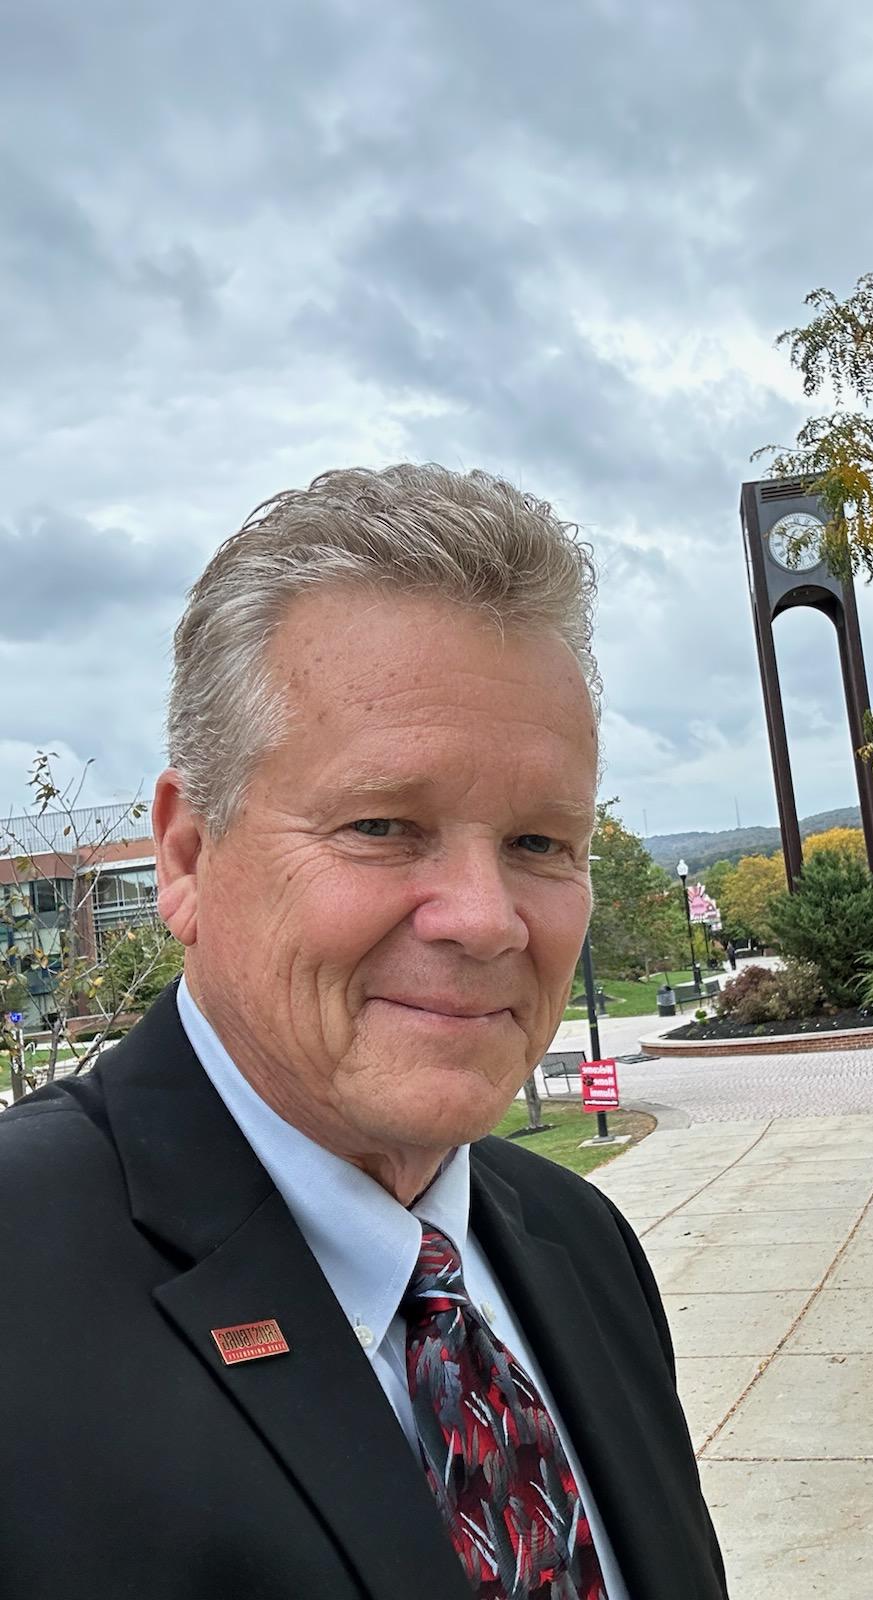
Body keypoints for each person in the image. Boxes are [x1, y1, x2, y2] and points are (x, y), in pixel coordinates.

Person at [0, 465, 728, 1600]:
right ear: (188, 858)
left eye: (541, 843)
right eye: (383, 824)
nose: (487, 920)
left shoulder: (585, 1251)